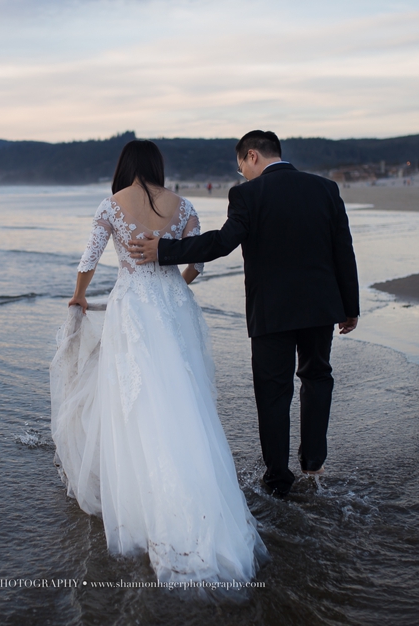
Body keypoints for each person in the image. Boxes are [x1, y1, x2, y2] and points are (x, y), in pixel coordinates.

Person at [50, 140, 267, 584]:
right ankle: (202, 510)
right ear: (157, 166)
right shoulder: (183, 205)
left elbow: (89, 259)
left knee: (138, 402)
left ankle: (146, 509)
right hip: (174, 306)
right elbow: (199, 262)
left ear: (126, 166)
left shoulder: (111, 205)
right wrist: (176, 282)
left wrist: (79, 295)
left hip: (134, 309)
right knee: (183, 397)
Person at [128, 130, 359, 497]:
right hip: (321, 307)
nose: (243, 176)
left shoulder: (248, 194)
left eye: (241, 168)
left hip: (272, 311)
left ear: (252, 156)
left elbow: (221, 242)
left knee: (273, 392)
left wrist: (165, 250)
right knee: (317, 378)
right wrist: (350, 307)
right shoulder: (325, 189)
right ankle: (313, 462)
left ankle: (279, 479)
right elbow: (342, 251)